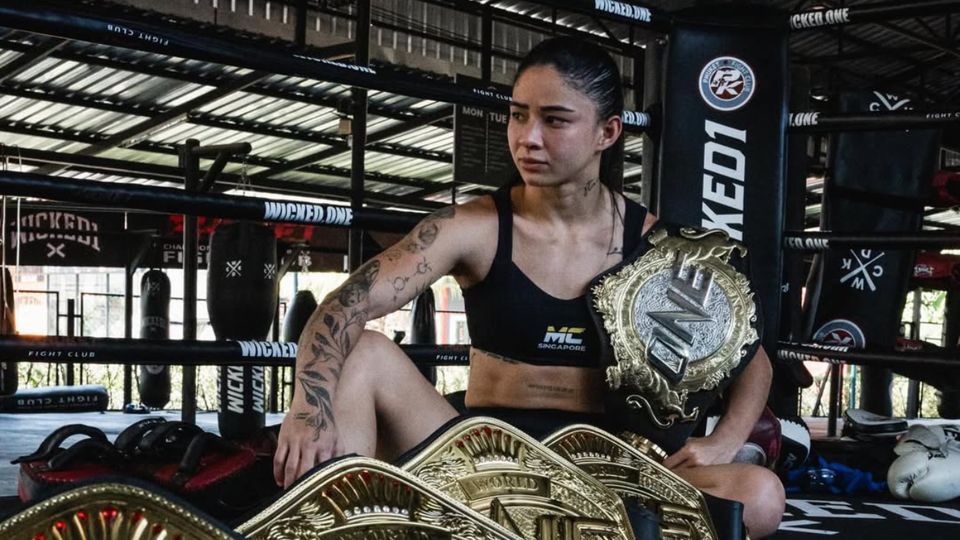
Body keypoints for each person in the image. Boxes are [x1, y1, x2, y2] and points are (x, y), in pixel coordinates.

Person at [274, 36, 785, 538]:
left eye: (554, 120)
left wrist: (724, 442)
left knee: (760, 496)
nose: (528, 138)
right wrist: (308, 409)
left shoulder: (661, 248)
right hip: (477, 462)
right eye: (519, 115)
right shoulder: (472, 228)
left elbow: (752, 361)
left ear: (607, 132)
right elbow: (345, 306)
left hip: (607, 476)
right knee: (364, 352)